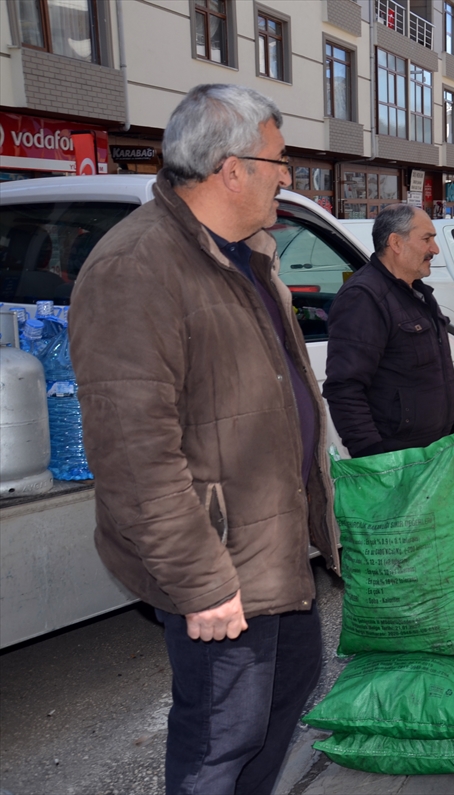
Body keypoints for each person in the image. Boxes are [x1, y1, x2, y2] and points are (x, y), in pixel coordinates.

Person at [69, 84, 338, 794]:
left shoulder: (248, 254)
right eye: (280, 160)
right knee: (220, 738)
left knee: (289, 687)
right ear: (232, 168)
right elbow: (134, 457)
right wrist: (201, 583)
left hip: (269, 549)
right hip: (218, 565)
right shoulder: (137, 268)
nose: (288, 175)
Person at [323, 204, 454, 459]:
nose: (435, 249)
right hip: (393, 461)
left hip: (428, 453)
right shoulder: (364, 298)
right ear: (396, 242)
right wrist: (373, 456)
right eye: (427, 239)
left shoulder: (416, 293)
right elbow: (345, 387)